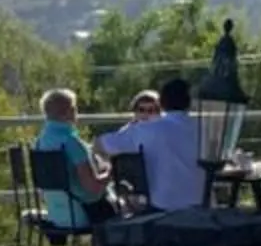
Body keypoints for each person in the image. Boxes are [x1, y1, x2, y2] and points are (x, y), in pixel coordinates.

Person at [96, 73, 208, 212]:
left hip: (161, 207)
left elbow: (100, 144)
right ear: (190, 103)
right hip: (201, 205)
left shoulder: (146, 130)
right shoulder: (204, 129)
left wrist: (112, 166)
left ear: (161, 103)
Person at [31, 87, 113, 232]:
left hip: (55, 213)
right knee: (127, 212)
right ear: (69, 111)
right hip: (82, 211)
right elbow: (92, 187)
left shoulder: (38, 143)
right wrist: (111, 172)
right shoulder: (70, 142)